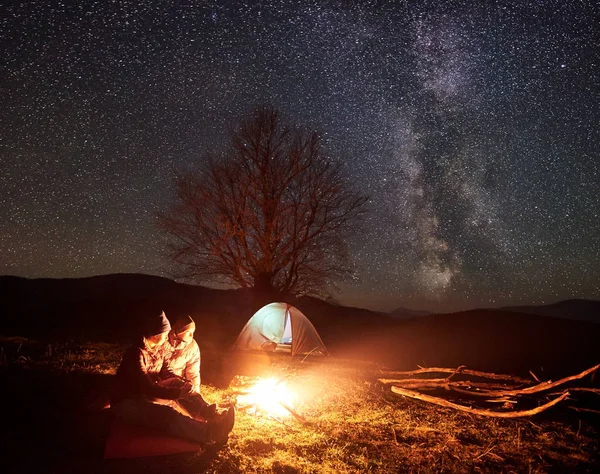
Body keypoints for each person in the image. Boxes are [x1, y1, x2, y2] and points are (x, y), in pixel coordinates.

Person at [110, 311, 234, 445]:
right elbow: (147, 387)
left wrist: (184, 385)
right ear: (156, 334)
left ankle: (210, 415)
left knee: (177, 383)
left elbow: (167, 371)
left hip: (145, 394)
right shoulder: (136, 355)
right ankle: (210, 434)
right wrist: (178, 393)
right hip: (129, 402)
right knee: (166, 414)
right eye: (165, 333)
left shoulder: (158, 350)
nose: (167, 337)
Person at [163, 315, 217, 419]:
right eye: (188, 332)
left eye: (193, 332)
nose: (191, 335)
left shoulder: (192, 347)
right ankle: (206, 416)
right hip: (165, 382)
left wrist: (195, 392)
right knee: (179, 390)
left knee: (187, 391)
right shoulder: (163, 342)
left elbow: (193, 373)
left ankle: (209, 412)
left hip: (179, 381)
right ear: (179, 331)